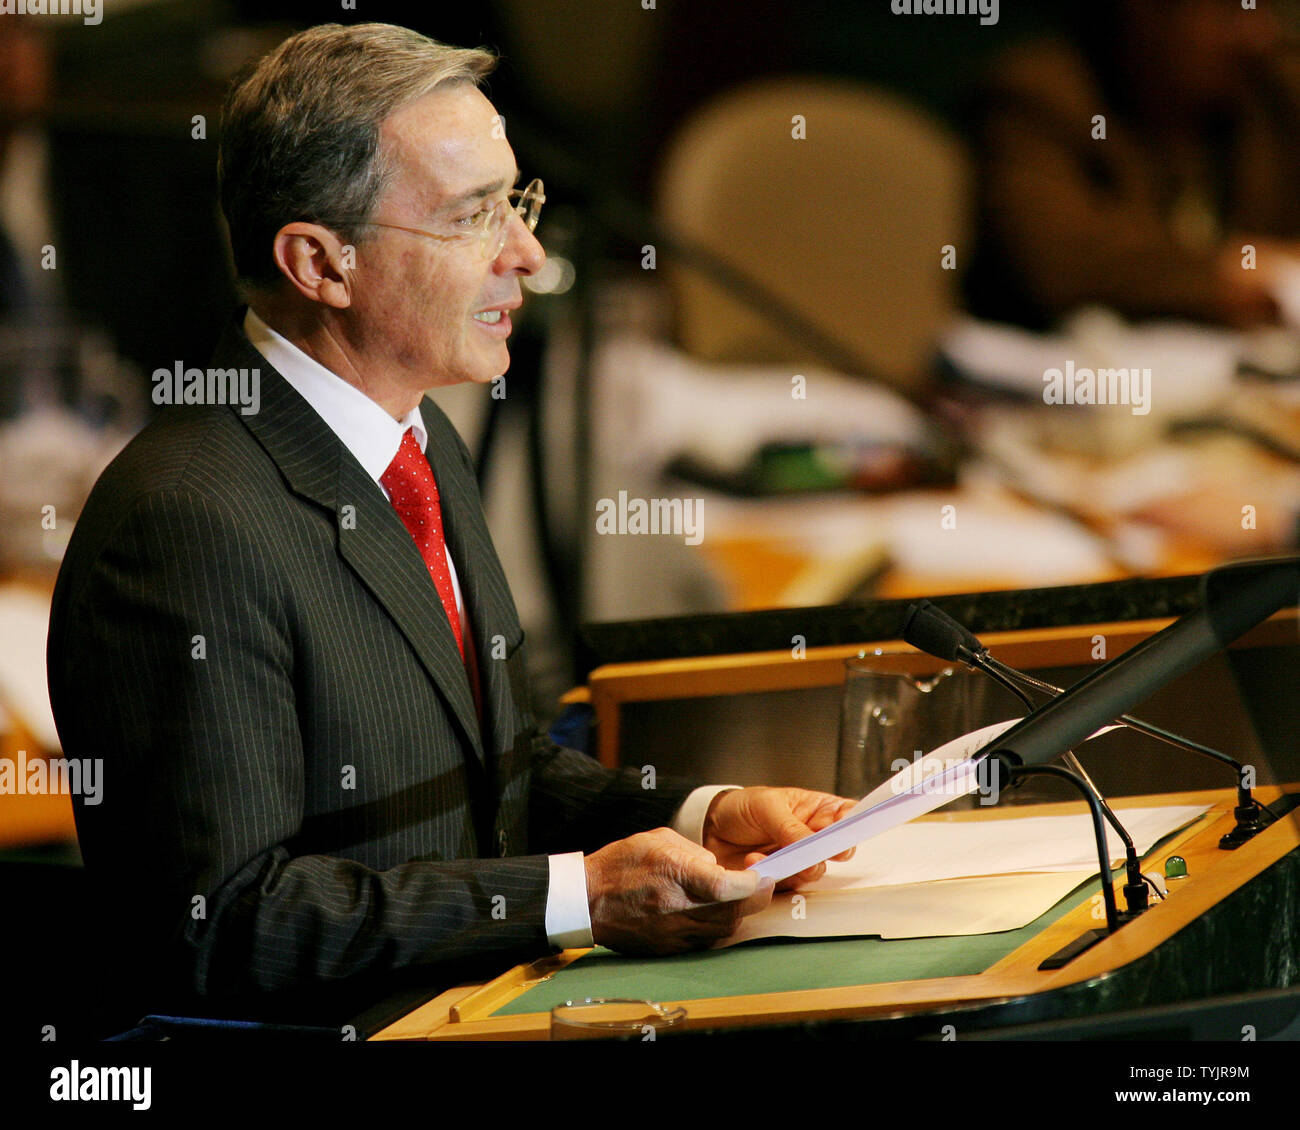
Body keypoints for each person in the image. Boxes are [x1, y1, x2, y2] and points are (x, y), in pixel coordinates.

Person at [45, 22, 853, 1031]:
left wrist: (705, 812)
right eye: (474, 214)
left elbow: (502, 771)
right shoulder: (186, 522)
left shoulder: (418, 441)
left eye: (518, 201)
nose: (526, 253)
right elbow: (223, 922)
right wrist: (576, 896)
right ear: (319, 264)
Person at [965, 0, 1300, 330]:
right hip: (1073, 372)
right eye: (1232, 11)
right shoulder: (1041, 95)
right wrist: (1237, 271)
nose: (1261, 35)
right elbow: (1059, 263)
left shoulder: (1270, 95)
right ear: (1145, 14)